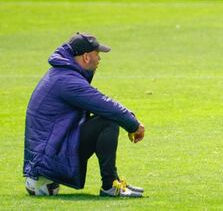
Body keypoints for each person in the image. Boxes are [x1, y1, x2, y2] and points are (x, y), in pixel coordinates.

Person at [23, 32, 145, 197]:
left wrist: (129, 118)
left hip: (48, 157)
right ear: (86, 57)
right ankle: (110, 186)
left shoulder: (63, 74)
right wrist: (133, 124)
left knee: (108, 118)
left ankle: (113, 182)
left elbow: (99, 101)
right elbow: (103, 104)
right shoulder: (67, 80)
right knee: (107, 122)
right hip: (47, 162)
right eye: (97, 54)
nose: (99, 59)